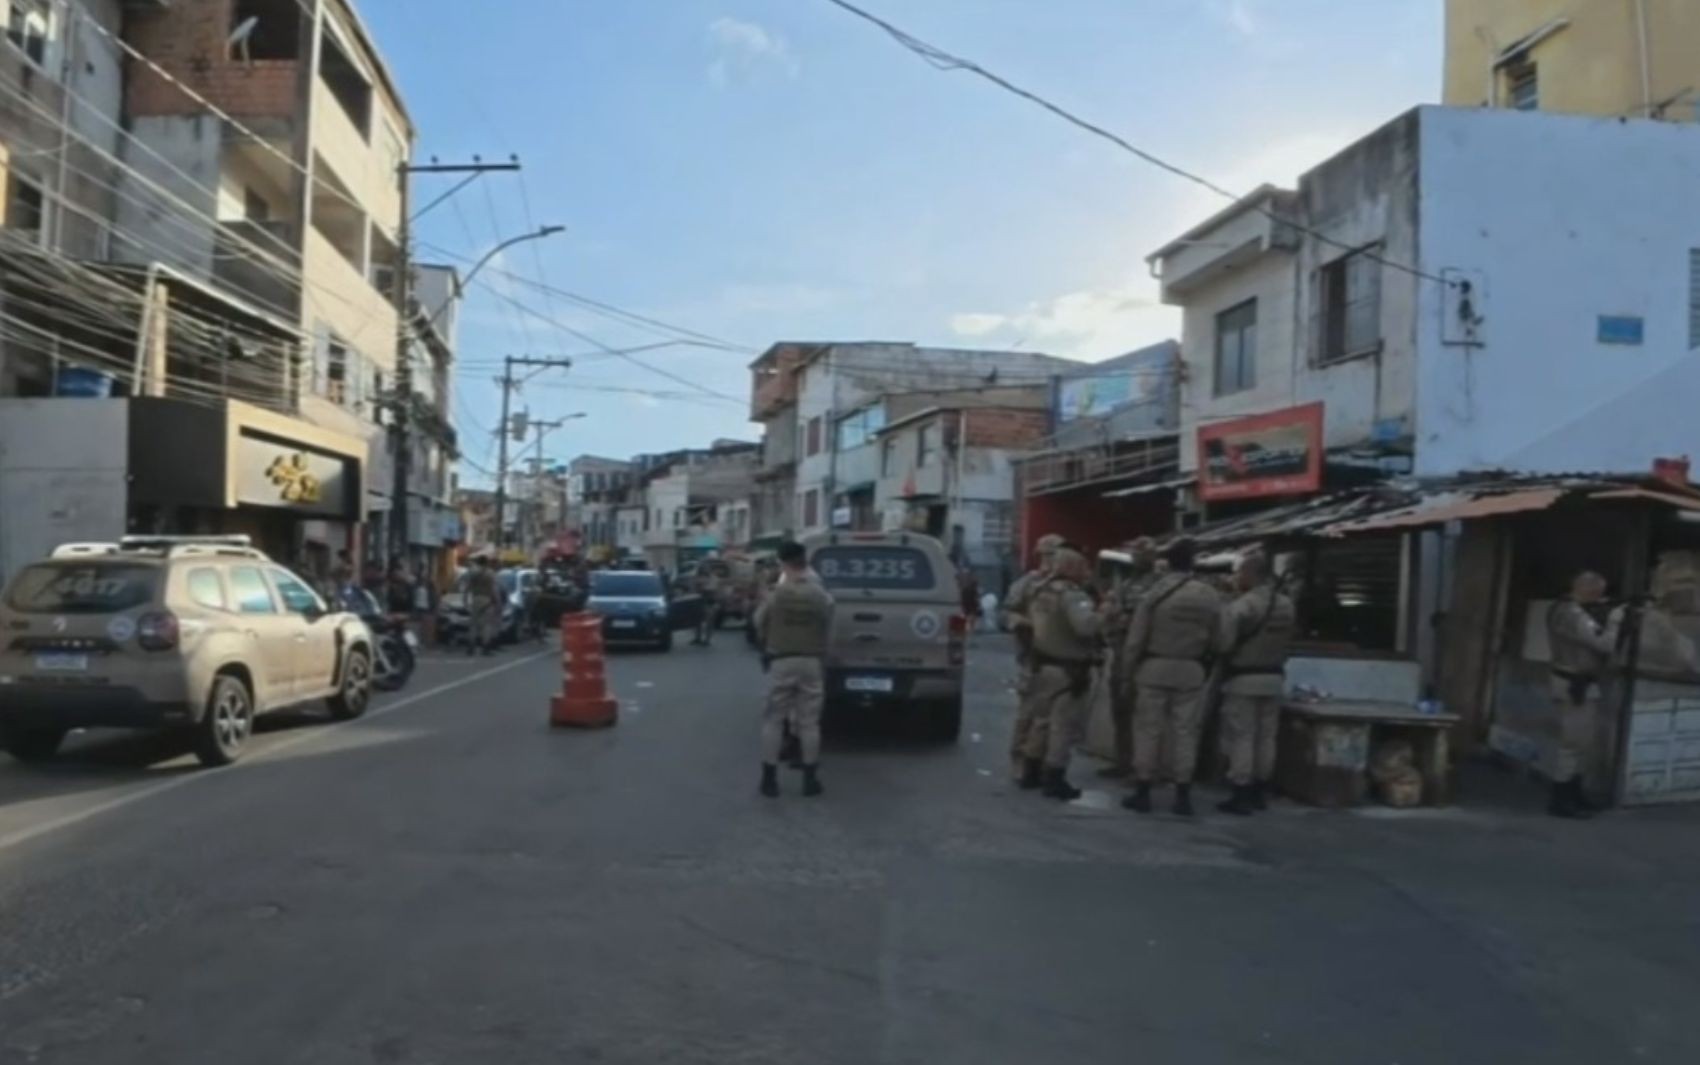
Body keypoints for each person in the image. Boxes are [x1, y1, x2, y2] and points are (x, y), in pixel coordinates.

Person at [1121, 538, 1224, 817]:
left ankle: (1143, 790)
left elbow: (1135, 639)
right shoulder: (1209, 594)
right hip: (1191, 671)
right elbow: (1220, 640)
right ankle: (1183, 795)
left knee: (1148, 730)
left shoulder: (1155, 593)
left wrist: (1126, 673)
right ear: (1193, 563)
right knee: (1186, 732)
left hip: (1154, 667)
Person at [1213, 553, 1296, 816]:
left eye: (1240, 573)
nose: (1237, 578)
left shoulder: (1244, 606)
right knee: (1267, 737)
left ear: (1250, 574)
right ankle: (1261, 788)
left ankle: (1241, 788)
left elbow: (1224, 643)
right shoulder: (1287, 605)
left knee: (1243, 736)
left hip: (1244, 678)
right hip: (1274, 678)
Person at [1023, 548, 1105, 800]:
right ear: (1072, 568)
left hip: (1041, 665)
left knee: (1040, 721)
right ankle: (1055, 778)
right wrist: (1105, 613)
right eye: (1082, 566)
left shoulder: (1039, 590)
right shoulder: (1071, 595)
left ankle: (1030, 771)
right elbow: (1085, 627)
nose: (1087, 572)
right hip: (1068, 670)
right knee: (1062, 727)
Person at [755, 541, 834, 798]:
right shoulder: (819, 593)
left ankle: (769, 780)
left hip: (781, 660)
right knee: (809, 722)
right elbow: (829, 622)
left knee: (774, 719)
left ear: (784, 563)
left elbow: (759, 621)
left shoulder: (778, 593)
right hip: (811, 661)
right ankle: (810, 780)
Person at [1545, 570, 1621, 819]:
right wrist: (1616, 621)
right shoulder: (1572, 613)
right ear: (1588, 590)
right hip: (1575, 684)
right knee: (1574, 744)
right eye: (1597, 593)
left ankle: (1574, 793)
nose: (1600, 599)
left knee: (1582, 743)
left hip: (1577, 682)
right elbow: (1605, 643)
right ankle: (1562, 798)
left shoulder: (1563, 609)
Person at [1004, 534, 1064, 787]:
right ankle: (1021, 760)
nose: (1050, 560)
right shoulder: (1029, 583)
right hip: (1034, 657)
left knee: (1053, 718)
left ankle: (1041, 763)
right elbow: (1008, 612)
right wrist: (1021, 624)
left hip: (1061, 659)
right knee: (1028, 713)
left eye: (1054, 554)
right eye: (1047, 555)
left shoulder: (1068, 584)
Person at [1100, 537, 1158, 780]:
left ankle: (1142, 767)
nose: (1138, 558)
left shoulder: (1158, 585)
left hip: (1143, 655)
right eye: (1136, 553)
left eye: (1143, 554)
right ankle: (1122, 760)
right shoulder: (1126, 582)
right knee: (1120, 709)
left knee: (1143, 716)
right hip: (1121, 650)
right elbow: (1113, 611)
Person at [466, 556, 500, 657]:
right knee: (486, 625)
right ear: (487, 563)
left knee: (473, 625)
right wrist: (497, 601)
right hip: (487, 600)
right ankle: (485, 647)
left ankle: (471, 646)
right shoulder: (490, 574)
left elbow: (468, 587)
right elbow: (493, 589)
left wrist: (465, 598)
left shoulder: (473, 573)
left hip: (475, 599)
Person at [692, 564, 723, 647]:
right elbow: (695, 589)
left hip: (710, 602)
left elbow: (714, 591)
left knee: (709, 622)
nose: (704, 571)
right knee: (697, 621)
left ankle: (707, 639)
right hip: (700, 601)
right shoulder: (699, 578)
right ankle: (698, 638)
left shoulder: (714, 579)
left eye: (706, 569)